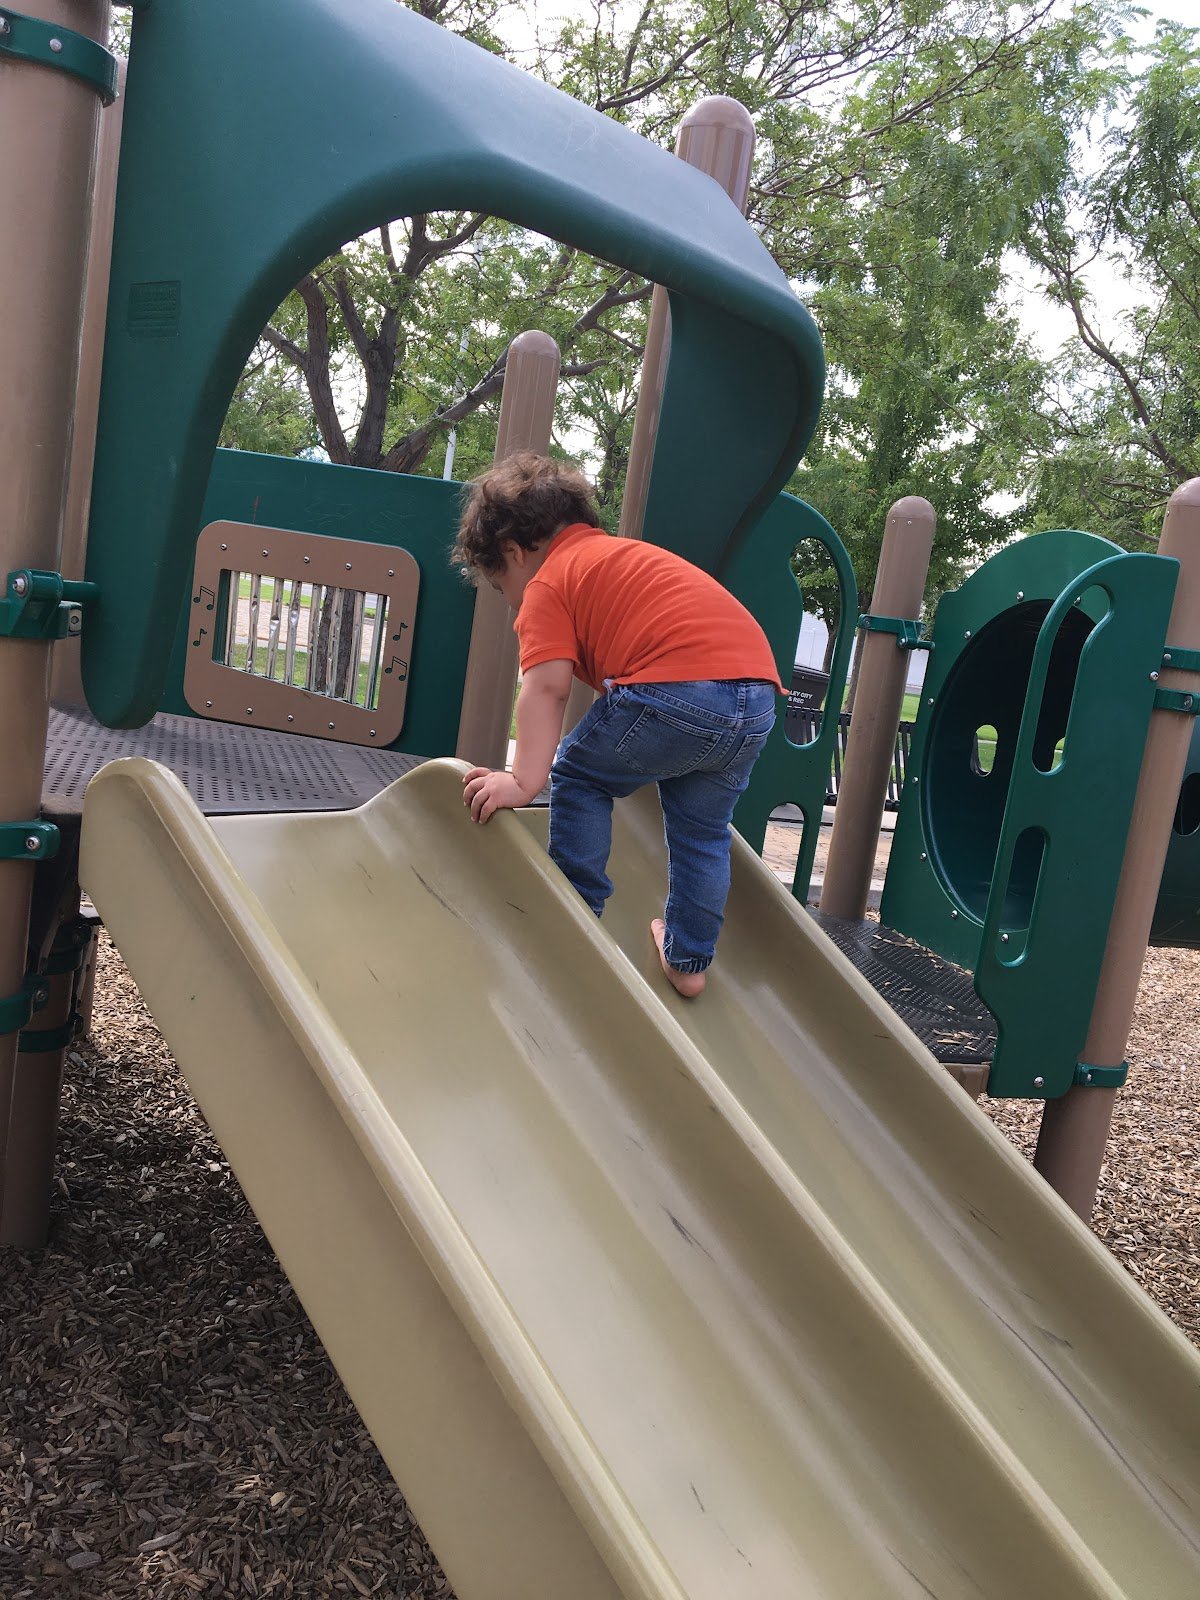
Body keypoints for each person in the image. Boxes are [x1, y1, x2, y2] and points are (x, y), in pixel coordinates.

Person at [451, 453, 780, 997]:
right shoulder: (619, 559)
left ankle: (573, 918)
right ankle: (689, 961)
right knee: (703, 832)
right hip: (757, 696)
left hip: (680, 687)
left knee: (579, 775)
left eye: (500, 584)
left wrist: (523, 780)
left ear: (512, 551)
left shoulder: (548, 583)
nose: (510, 600)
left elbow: (546, 688)